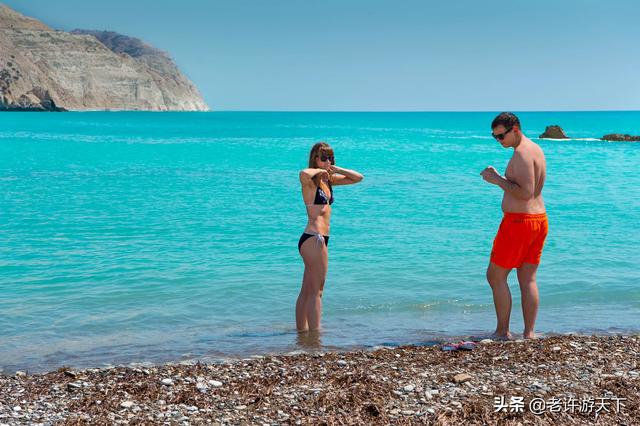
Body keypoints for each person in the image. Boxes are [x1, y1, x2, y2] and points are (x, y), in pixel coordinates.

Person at [480, 112, 548, 340]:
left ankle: (502, 331)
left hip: (520, 223)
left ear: (515, 129)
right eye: (495, 137)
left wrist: (496, 180)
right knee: (527, 278)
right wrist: (501, 178)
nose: (499, 141)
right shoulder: (535, 149)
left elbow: (525, 193)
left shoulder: (521, 154)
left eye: (501, 136)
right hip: (538, 221)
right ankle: (529, 333)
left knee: (495, 276)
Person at [296, 142, 363, 332]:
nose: (328, 161)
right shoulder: (311, 182)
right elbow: (302, 173)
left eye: (330, 158)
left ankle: (302, 333)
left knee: (308, 289)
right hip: (314, 238)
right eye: (323, 157)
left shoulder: (329, 181)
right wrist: (318, 171)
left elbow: (358, 178)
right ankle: (316, 335)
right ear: (315, 159)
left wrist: (334, 169)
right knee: (317, 291)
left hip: (317, 239)